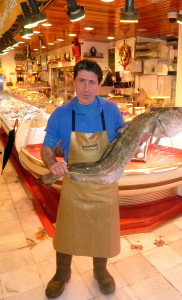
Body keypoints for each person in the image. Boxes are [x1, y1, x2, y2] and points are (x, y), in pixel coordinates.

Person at [41, 59, 125, 298]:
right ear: (74, 81)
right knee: (67, 231)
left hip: (104, 184)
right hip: (75, 185)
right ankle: (61, 273)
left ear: (98, 85)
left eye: (92, 82)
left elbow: (122, 140)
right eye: (82, 81)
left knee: (102, 231)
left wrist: (138, 140)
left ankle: (101, 272)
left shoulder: (111, 111)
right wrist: (52, 163)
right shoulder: (61, 114)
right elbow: (47, 146)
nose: (86, 88)